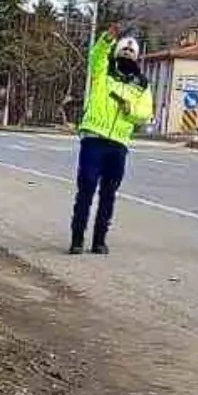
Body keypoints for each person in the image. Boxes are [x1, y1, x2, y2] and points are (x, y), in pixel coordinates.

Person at [69, 31, 153, 255]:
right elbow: (96, 56)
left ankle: (99, 240)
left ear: (137, 56)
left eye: (131, 51)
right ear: (117, 52)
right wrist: (106, 40)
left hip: (118, 142)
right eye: (124, 50)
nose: (127, 53)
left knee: (108, 193)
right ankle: (77, 238)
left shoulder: (142, 84)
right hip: (94, 137)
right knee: (86, 188)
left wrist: (130, 109)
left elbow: (146, 112)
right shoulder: (103, 71)